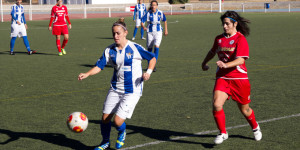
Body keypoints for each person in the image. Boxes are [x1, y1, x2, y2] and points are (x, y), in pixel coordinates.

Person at [78, 18, 156, 150]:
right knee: (105, 118)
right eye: (113, 33)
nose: (115, 36)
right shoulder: (109, 50)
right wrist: (87, 73)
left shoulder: (135, 48)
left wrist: (148, 72)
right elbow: (99, 66)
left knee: (118, 121)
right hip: (115, 88)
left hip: (132, 90)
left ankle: (121, 132)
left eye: (118, 33)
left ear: (125, 32)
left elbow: (152, 58)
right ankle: (105, 142)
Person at [201, 11, 262, 144]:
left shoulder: (240, 39)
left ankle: (255, 127)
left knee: (245, 110)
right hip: (222, 78)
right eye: (223, 23)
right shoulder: (219, 39)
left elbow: (240, 60)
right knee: (216, 104)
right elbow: (212, 51)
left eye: (227, 23)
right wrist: (204, 62)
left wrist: (226, 64)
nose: (224, 26)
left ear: (235, 24)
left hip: (239, 79)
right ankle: (222, 132)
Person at [141, 0, 168, 72]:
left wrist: (166, 30)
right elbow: (142, 21)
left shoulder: (160, 13)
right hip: (149, 32)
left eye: (155, 5)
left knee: (156, 46)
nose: (153, 6)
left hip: (158, 31)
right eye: (152, 5)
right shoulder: (148, 13)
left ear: (157, 6)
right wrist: (143, 27)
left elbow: (165, 20)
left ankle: (153, 64)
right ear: (151, 6)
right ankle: (150, 65)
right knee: (149, 49)